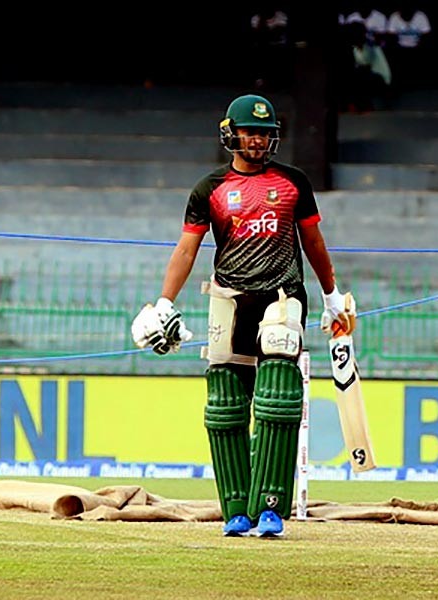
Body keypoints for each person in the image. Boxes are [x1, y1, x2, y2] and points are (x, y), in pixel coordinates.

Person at [131, 94, 356, 538]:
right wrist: (164, 302)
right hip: (229, 298)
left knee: (277, 399)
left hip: (281, 293)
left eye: (265, 132)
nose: (257, 139)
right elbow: (187, 248)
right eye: (250, 132)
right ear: (230, 134)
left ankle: (271, 509)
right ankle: (235, 511)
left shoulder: (293, 183)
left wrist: (331, 296)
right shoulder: (208, 189)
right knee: (226, 406)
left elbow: (313, 242)